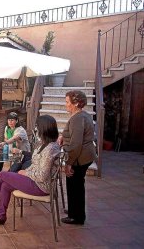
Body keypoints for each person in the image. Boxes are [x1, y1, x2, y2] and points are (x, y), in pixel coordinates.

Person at [0, 115, 60, 226]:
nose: (36, 130)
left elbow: (42, 175)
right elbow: (36, 164)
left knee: (2, 175)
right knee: (5, 185)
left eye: (37, 127)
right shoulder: (45, 144)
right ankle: (0, 217)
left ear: (44, 129)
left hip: (40, 186)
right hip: (33, 180)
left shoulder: (50, 149)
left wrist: (26, 172)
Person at [58, 90, 95, 225]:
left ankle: (77, 217)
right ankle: (75, 210)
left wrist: (68, 163)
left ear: (77, 103)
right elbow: (75, 135)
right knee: (76, 185)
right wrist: (63, 136)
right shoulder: (83, 115)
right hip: (85, 155)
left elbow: (75, 144)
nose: (66, 105)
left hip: (80, 157)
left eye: (68, 102)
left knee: (75, 185)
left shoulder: (77, 118)